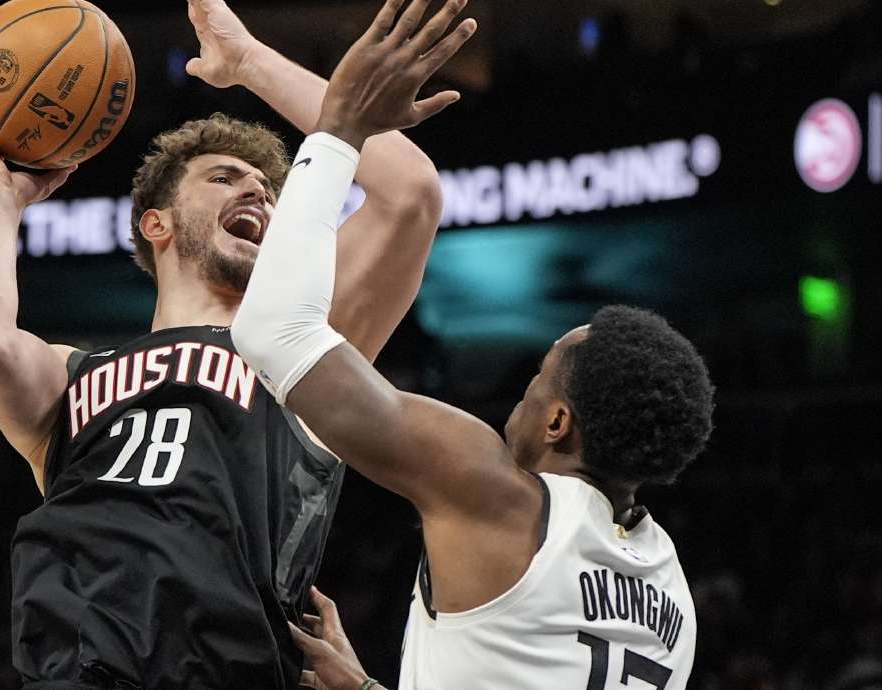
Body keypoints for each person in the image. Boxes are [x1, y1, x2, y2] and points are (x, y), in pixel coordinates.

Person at [0, 0, 471, 685]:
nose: (257, 192)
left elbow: (410, 193)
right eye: (224, 178)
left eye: (270, 191)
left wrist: (248, 62)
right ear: (155, 224)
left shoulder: (299, 352)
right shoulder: (73, 376)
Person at [230, 5, 714, 687]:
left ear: (557, 422)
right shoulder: (670, 591)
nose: (520, 398)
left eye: (537, 379)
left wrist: (341, 126)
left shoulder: (494, 494)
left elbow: (274, 331)